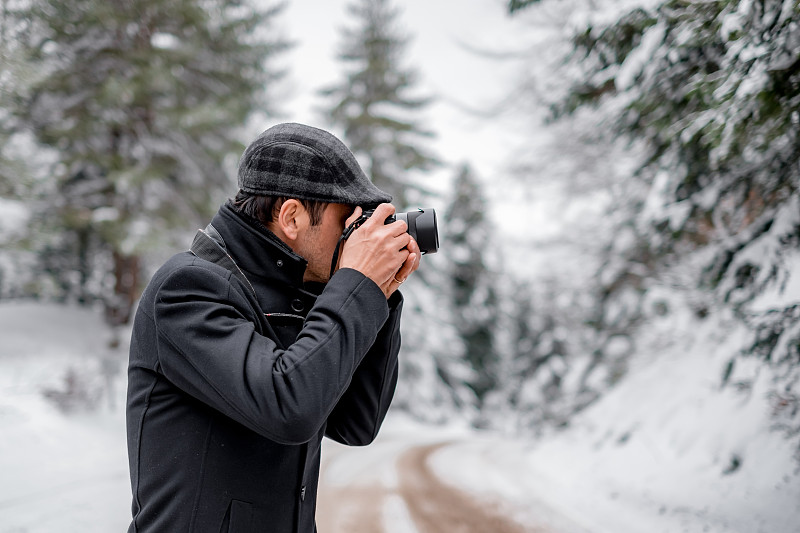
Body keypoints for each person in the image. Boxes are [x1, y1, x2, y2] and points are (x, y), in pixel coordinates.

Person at [125, 122, 421, 533]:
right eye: (345, 223)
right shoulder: (188, 288)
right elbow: (290, 406)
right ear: (292, 217)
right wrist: (357, 285)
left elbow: (356, 422)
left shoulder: (297, 299)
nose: (353, 239)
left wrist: (379, 294)